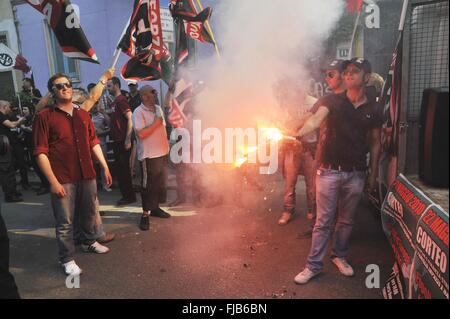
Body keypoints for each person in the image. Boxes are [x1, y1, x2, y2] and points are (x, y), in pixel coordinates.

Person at [293, 58, 382, 284]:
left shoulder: (373, 108)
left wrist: (372, 176)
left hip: (356, 173)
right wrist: (302, 131)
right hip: (329, 171)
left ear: (367, 78)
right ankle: (313, 266)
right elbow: (316, 118)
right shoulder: (330, 100)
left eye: (355, 71)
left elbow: (375, 142)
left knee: (346, 220)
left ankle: (339, 256)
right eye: (347, 71)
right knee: (323, 221)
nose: (349, 74)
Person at [33, 73, 114, 276]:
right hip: (63, 177)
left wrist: (104, 166)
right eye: (59, 86)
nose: (65, 88)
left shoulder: (82, 114)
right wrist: (52, 181)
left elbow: (93, 142)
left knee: (88, 213)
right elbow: (40, 152)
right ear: (52, 92)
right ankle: (67, 258)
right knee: (65, 222)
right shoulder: (44, 117)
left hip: (86, 174)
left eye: (67, 84)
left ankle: (88, 242)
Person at [296, 59, 347, 238]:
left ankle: (337, 236)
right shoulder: (325, 100)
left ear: (344, 75)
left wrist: (300, 132)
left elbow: (314, 122)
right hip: (325, 160)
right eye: (326, 75)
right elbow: (311, 119)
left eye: (331, 74)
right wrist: (296, 131)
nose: (327, 78)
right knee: (321, 197)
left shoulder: (353, 101)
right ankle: (319, 227)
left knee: (341, 203)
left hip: (348, 164)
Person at [133, 86, 171, 231]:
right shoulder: (138, 112)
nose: (155, 94)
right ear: (144, 96)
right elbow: (141, 134)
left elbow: (163, 128)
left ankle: (155, 208)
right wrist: (155, 123)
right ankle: (145, 215)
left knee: (159, 184)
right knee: (148, 186)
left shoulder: (158, 108)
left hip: (162, 153)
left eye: (155, 92)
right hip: (149, 155)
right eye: (152, 92)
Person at [278, 92, 318, 226]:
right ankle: (288, 210)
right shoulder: (288, 104)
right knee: (290, 183)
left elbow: (318, 124)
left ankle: (312, 210)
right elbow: (283, 124)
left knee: (312, 184)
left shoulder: (314, 103)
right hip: (291, 149)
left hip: (309, 149)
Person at [107, 77, 136, 206]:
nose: (107, 88)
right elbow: (113, 123)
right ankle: (126, 194)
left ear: (117, 85)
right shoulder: (113, 103)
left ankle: (129, 196)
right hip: (116, 140)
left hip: (122, 140)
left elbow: (130, 118)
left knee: (124, 169)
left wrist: (128, 139)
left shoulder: (121, 100)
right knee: (120, 169)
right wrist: (103, 113)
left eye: (109, 86)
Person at [88, 83, 112, 192]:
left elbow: (110, 128)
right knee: (92, 166)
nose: (95, 106)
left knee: (103, 164)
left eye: (96, 103)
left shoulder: (102, 115)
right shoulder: (87, 116)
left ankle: (105, 185)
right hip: (89, 145)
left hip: (101, 143)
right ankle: (94, 185)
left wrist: (101, 133)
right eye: (93, 104)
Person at [0, 101, 25, 202]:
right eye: (9, 107)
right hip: (3, 147)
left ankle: (13, 191)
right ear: (4, 107)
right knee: (6, 171)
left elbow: (13, 124)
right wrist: (21, 120)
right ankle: (9, 195)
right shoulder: (0, 115)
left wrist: (19, 122)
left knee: (10, 169)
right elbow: (11, 125)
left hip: (6, 146)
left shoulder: (3, 116)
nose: (10, 109)